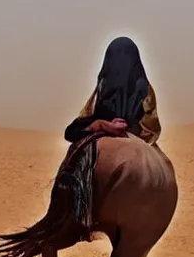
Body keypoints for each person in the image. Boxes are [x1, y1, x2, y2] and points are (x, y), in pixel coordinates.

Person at [53, 36, 162, 229]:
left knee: (72, 160)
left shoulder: (102, 87)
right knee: (161, 170)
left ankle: (58, 214)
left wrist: (100, 125)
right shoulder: (145, 89)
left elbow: (74, 129)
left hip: (99, 133)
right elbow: (151, 130)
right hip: (134, 136)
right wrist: (128, 130)